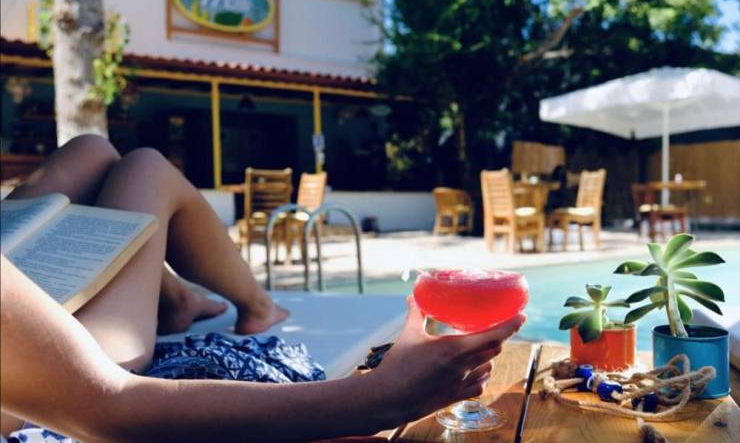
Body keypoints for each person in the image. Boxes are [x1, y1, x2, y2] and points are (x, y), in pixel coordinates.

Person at [1, 136, 526, 442]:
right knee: (148, 169)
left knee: (92, 150)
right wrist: (381, 396)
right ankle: (253, 304)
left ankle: (180, 297)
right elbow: (106, 407)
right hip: (35, 388)